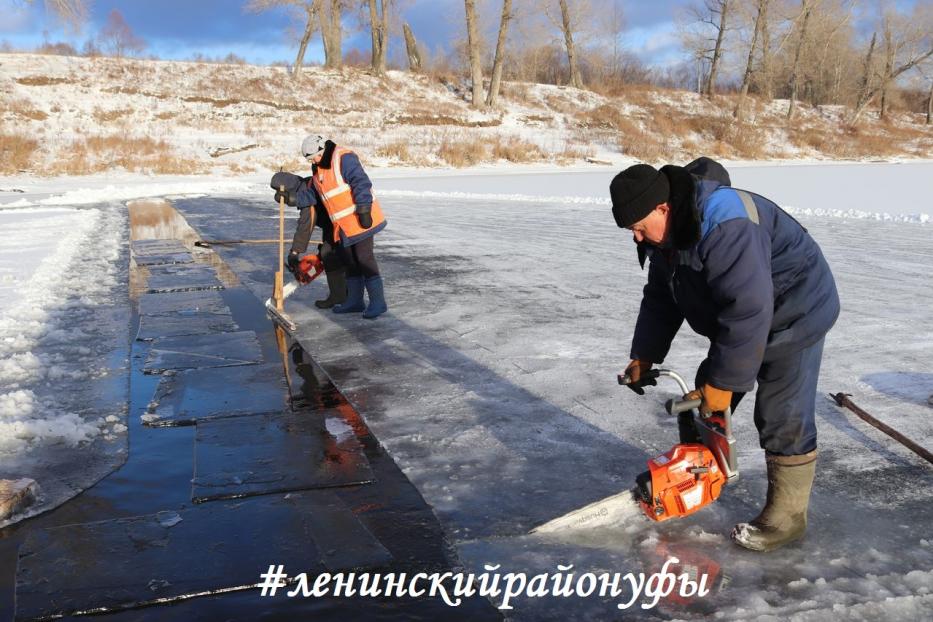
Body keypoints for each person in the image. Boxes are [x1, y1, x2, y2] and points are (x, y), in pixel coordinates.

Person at [611, 158, 839, 552]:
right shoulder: (666, 234)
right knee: (706, 396)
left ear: (662, 208)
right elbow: (662, 298)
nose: (636, 238)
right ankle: (696, 477)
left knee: (780, 411)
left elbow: (747, 309)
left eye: (638, 227)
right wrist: (644, 355)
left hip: (796, 309)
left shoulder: (725, 224)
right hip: (751, 312)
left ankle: (787, 518)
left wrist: (724, 384)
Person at [271, 135, 388, 319]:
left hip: (360, 219)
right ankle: (355, 302)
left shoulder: (343, 158)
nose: (313, 161)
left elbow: (361, 182)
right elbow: (312, 195)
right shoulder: (319, 170)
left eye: (314, 157)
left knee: (365, 259)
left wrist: (364, 208)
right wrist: (293, 200)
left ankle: (378, 302)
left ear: (321, 149)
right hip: (342, 226)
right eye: (310, 160)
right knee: (350, 262)